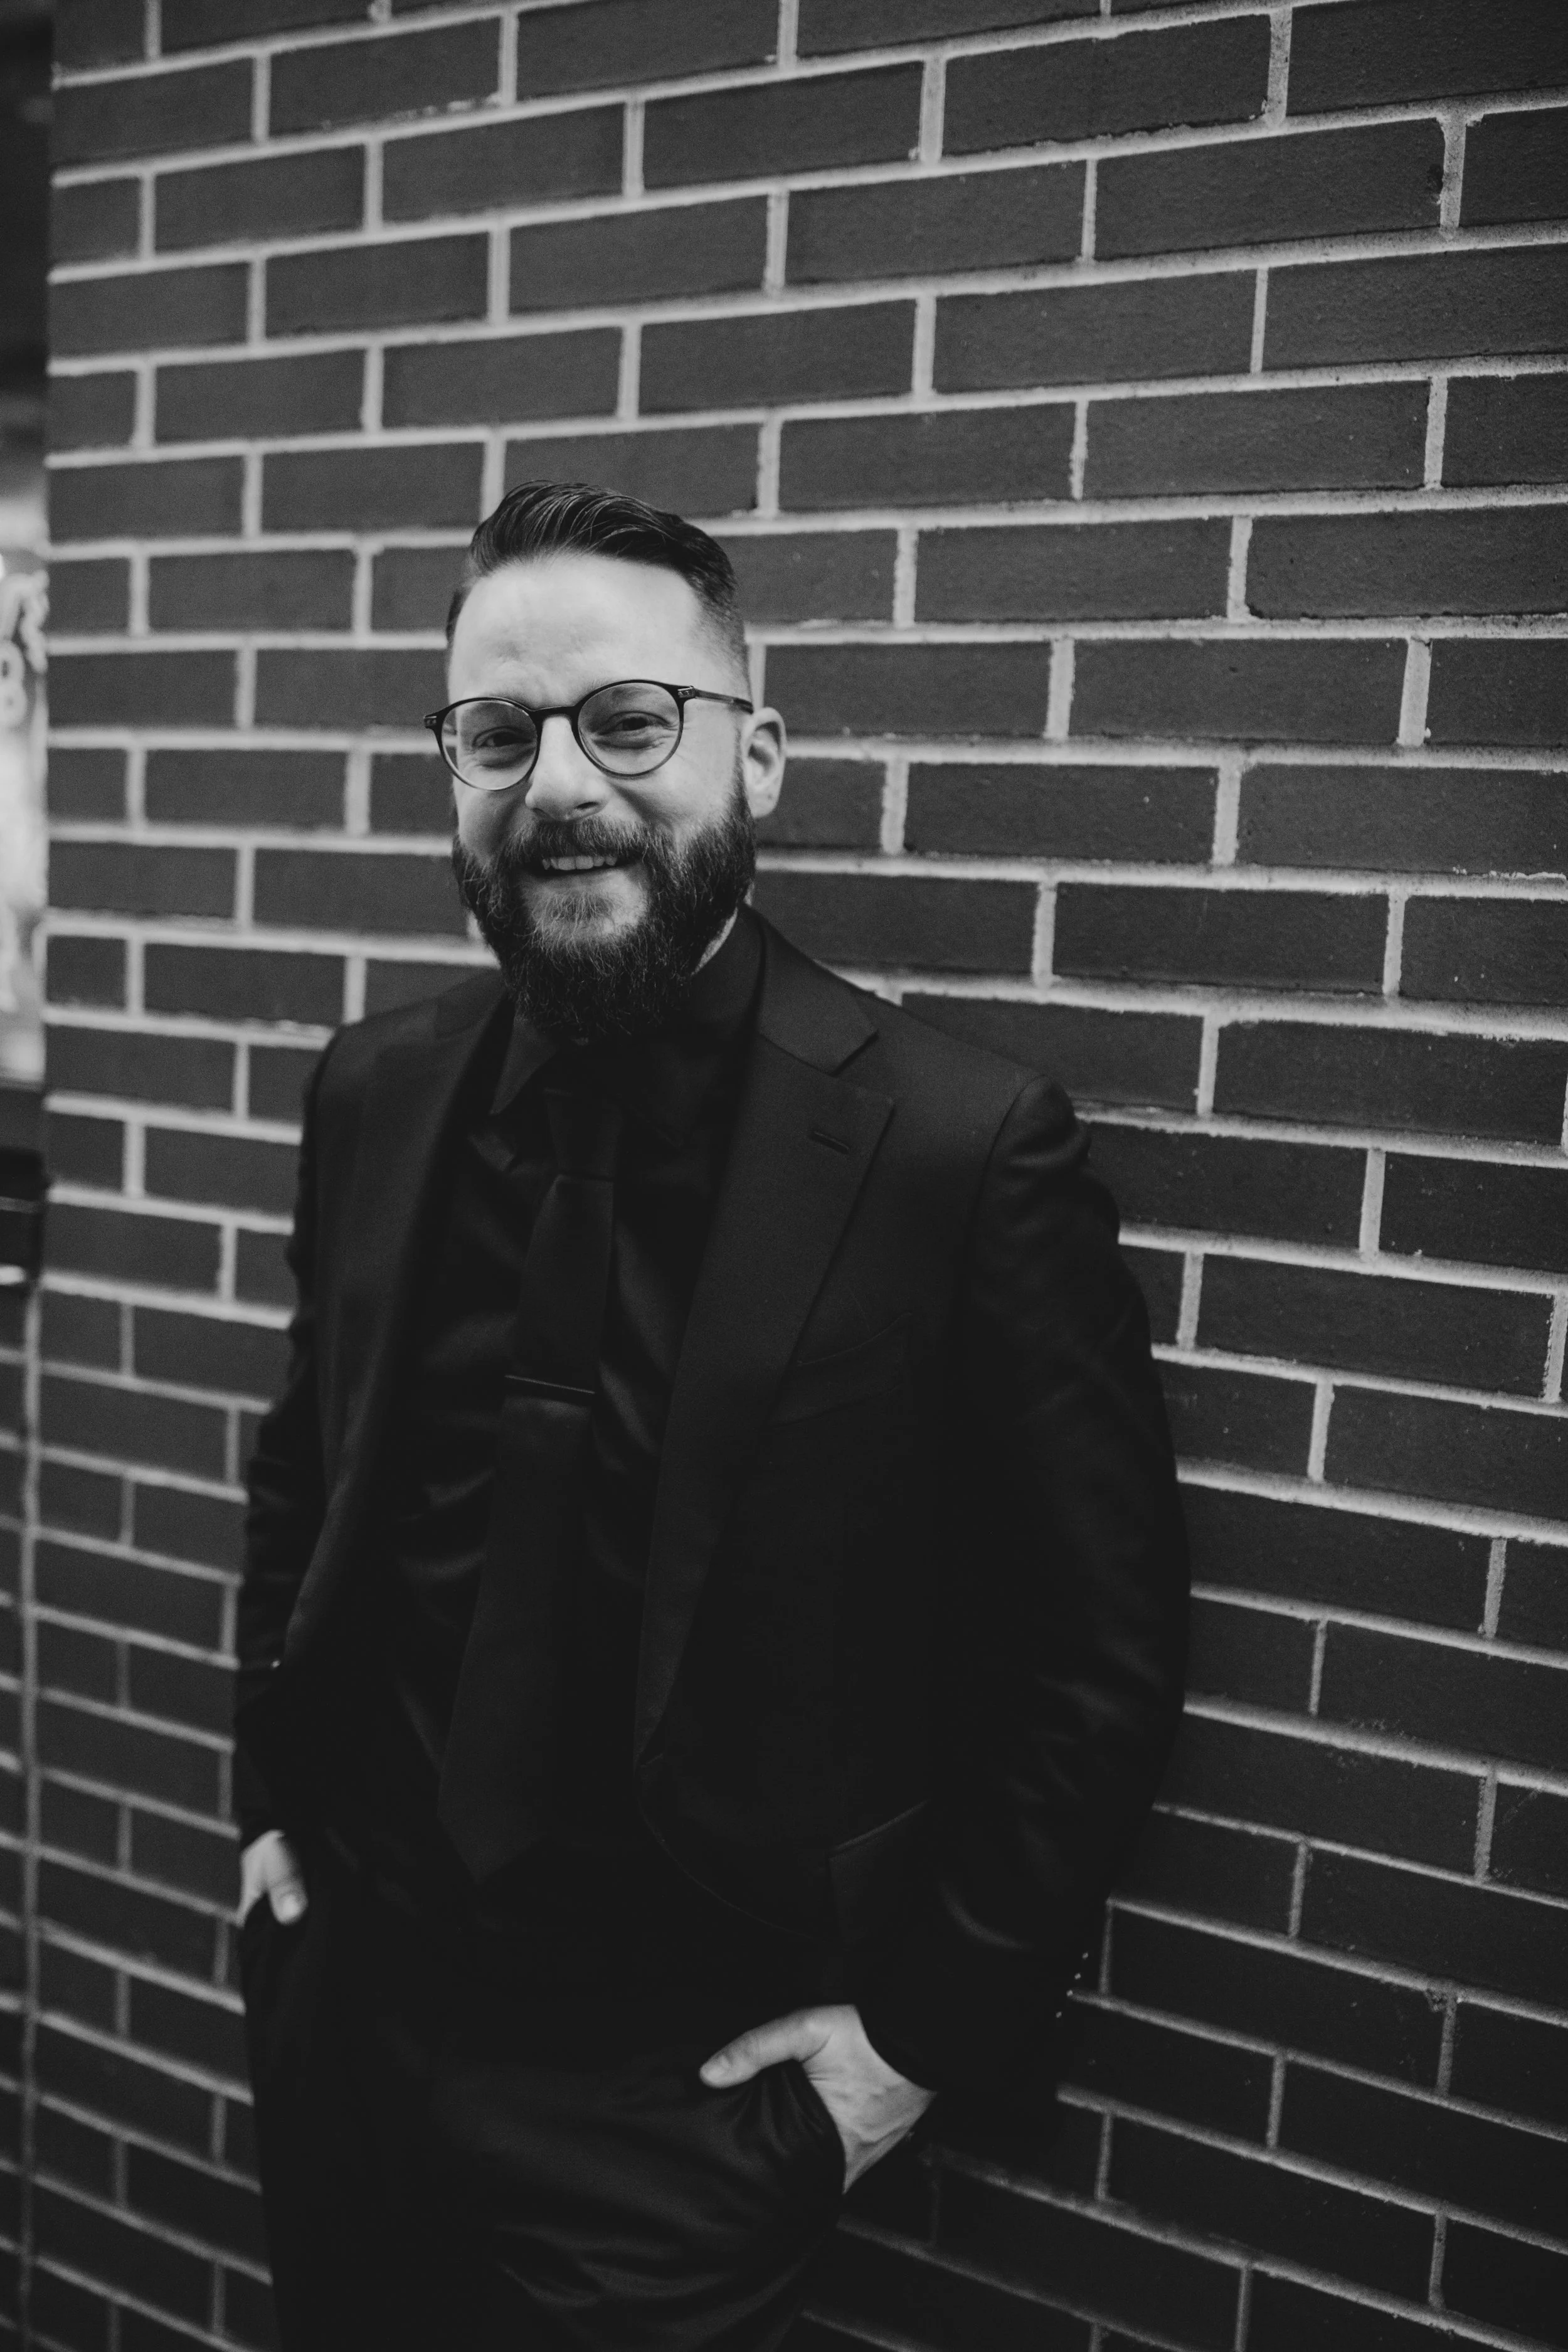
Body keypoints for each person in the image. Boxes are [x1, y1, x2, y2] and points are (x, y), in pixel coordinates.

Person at [233, 481, 1189, 2351]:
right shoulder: (376, 1091)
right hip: (352, 2012)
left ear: (758, 754)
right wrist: (269, 1801)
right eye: (496, 732)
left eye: (627, 720)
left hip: (681, 2102)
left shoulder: (952, 1146)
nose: (559, 782)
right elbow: (304, 1466)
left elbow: (1097, 1639)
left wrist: (911, 2048)